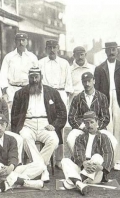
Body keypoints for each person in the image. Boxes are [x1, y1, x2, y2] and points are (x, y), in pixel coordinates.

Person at [11, 67, 67, 182]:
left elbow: (62, 113)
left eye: (36, 77)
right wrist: (17, 129)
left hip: (45, 124)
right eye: (32, 77)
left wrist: (55, 125)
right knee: (24, 138)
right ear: (28, 78)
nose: (34, 80)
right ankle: (43, 169)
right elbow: (14, 115)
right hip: (27, 124)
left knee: (54, 140)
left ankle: (37, 167)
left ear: (41, 77)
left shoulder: (52, 92)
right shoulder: (20, 93)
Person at [0, 114, 44, 193]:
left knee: (40, 166)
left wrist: (10, 168)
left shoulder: (11, 139)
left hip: (11, 170)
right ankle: (25, 183)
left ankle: (12, 182)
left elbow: (13, 156)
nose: (0, 128)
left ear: (6, 125)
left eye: (2, 124)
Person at [94, 42, 120, 171]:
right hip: (105, 99)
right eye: (109, 50)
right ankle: (107, 158)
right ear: (105, 52)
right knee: (107, 129)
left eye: (113, 49)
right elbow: (96, 89)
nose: (111, 52)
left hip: (119, 99)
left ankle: (117, 161)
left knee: (118, 129)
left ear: (117, 51)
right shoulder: (99, 68)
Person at [39, 39, 73, 169]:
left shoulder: (64, 63)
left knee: (60, 127)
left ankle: (59, 159)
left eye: (54, 47)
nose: (52, 50)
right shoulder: (40, 63)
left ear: (58, 48)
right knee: (46, 125)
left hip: (60, 93)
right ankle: (46, 159)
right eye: (49, 47)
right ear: (46, 49)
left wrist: (65, 100)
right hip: (46, 94)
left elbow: (68, 83)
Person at [61, 111, 114, 196]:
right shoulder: (80, 138)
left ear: (97, 122)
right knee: (65, 160)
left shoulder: (103, 137)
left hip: (95, 173)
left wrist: (99, 167)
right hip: (83, 167)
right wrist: (84, 163)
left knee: (97, 157)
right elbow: (78, 153)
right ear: (84, 124)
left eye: (92, 122)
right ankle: (80, 184)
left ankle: (76, 180)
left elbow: (109, 155)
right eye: (87, 123)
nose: (90, 125)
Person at [0, 33, 38, 108]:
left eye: (23, 40)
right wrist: (4, 92)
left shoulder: (32, 57)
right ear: (15, 42)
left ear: (26, 42)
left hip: (28, 89)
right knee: (13, 114)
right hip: (12, 90)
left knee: (28, 113)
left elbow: (37, 76)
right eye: (18, 40)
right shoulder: (9, 57)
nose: (21, 43)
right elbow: (3, 75)